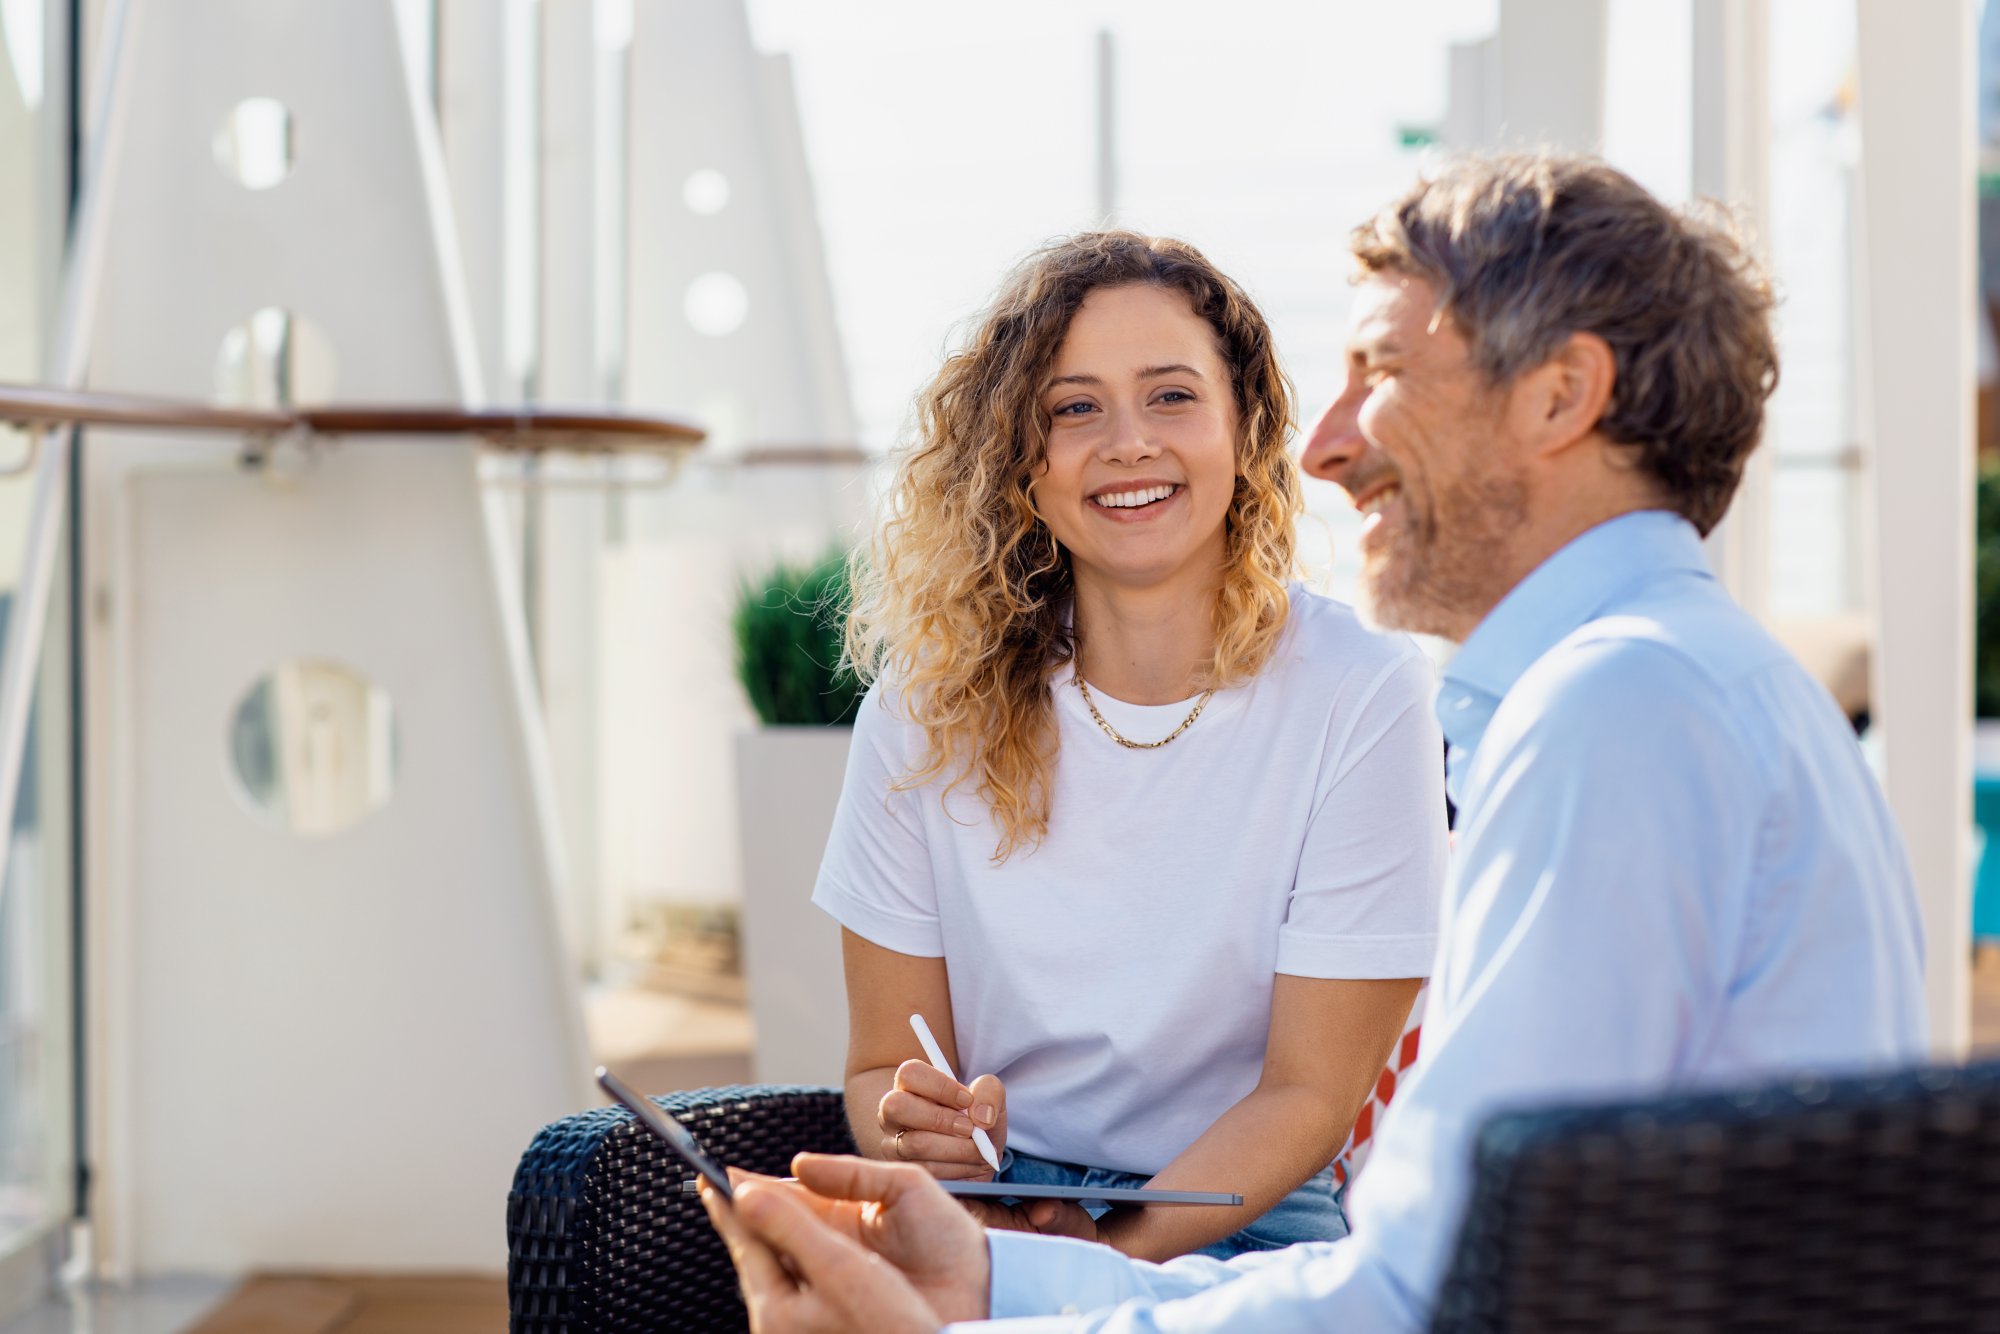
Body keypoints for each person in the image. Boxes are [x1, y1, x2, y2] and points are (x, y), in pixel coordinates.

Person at [700, 152, 1929, 1332]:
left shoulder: (1616, 713)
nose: (1328, 444)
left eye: (1379, 369)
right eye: (1074, 409)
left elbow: (1418, 1288)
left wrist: (981, 1315)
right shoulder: (1681, 683)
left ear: (1560, 396)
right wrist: (994, 1274)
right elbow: (1445, 1270)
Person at [812, 230, 1450, 1263]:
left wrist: (1100, 1260)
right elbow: (880, 1063)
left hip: (1239, 1212)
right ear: (1022, 462)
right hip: (990, 1205)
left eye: (1170, 396)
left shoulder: (1360, 690)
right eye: (1073, 408)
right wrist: (914, 1126)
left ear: (1242, 430)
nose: (1126, 442)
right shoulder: (925, 703)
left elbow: (1309, 1094)